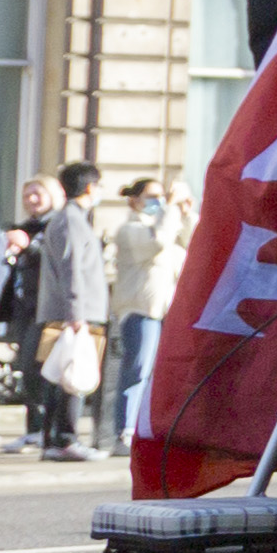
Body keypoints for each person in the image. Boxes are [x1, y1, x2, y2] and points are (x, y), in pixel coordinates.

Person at [20, 168, 100, 459]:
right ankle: (64, 439)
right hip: (72, 313)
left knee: (62, 376)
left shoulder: (70, 218)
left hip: (69, 311)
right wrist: (76, 312)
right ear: (89, 188)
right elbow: (72, 269)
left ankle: (55, 440)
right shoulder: (70, 220)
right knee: (70, 376)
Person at [104, 177, 172, 450]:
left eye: (162, 196)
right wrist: (171, 211)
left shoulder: (164, 224)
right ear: (134, 200)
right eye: (152, 196)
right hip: (138, 308)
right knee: (137, 369)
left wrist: (184, 212)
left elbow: (190, 241)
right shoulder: (130, 229)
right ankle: (125, 430)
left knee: (157, 374)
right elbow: (157, 244)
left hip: (163, 309)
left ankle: (146, 427)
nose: (159, 202)